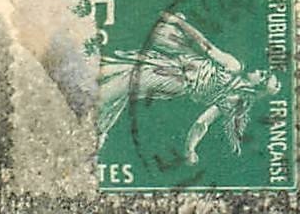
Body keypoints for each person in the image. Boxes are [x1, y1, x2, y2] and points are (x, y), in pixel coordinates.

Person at [96, 11, 280, 165]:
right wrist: (190, 150)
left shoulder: (234, 68)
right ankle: (98, 123)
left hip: (176, 79)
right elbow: (202, 123)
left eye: (263, 76)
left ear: (258, 87)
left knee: (128, 80)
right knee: (128, 77)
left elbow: (205, 44)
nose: (259, 71)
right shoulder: (233, 98)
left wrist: (179, 22)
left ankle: (95, 110)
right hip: (175, 69)